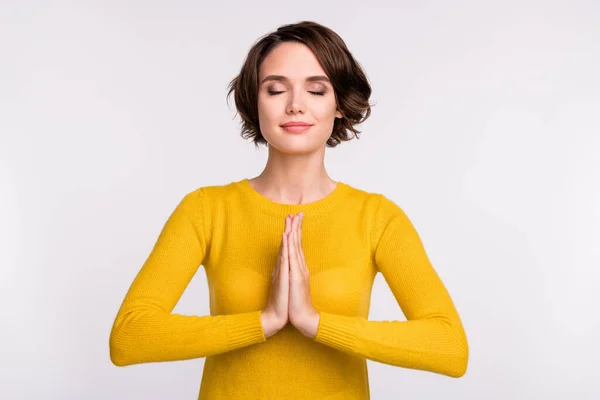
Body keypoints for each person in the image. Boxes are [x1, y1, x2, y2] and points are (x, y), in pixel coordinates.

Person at [109, 20, 469, 399]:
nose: (295, 104)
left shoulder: (377, 218)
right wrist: (263, 323)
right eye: (276, 89)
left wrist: (316, 323)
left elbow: (449, 347)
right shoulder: (206, 210)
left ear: (340, 106)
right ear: (254, 103)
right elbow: (129, 337)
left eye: (316, 89)